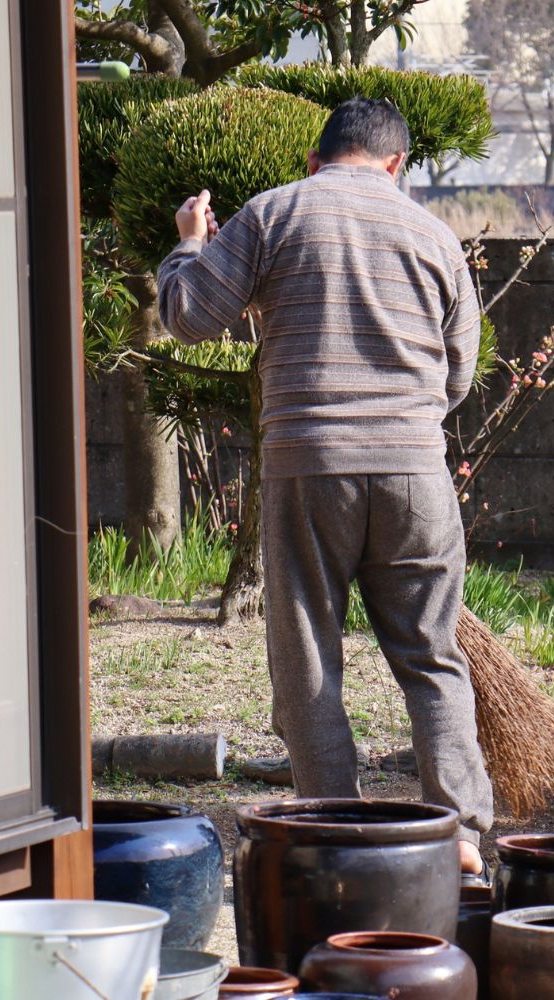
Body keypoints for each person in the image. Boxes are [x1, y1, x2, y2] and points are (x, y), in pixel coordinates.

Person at [155, 98, 493, 876]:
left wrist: (188, 245)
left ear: (314, 159)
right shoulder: (435, 236)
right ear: (396, 164)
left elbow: (189, 315)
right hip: (416, 472)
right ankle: (463, 834)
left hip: (309, 467)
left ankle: (337, 832)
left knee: (308, 658)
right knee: (433, 656)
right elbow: (459, 373)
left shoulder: (272, 215)